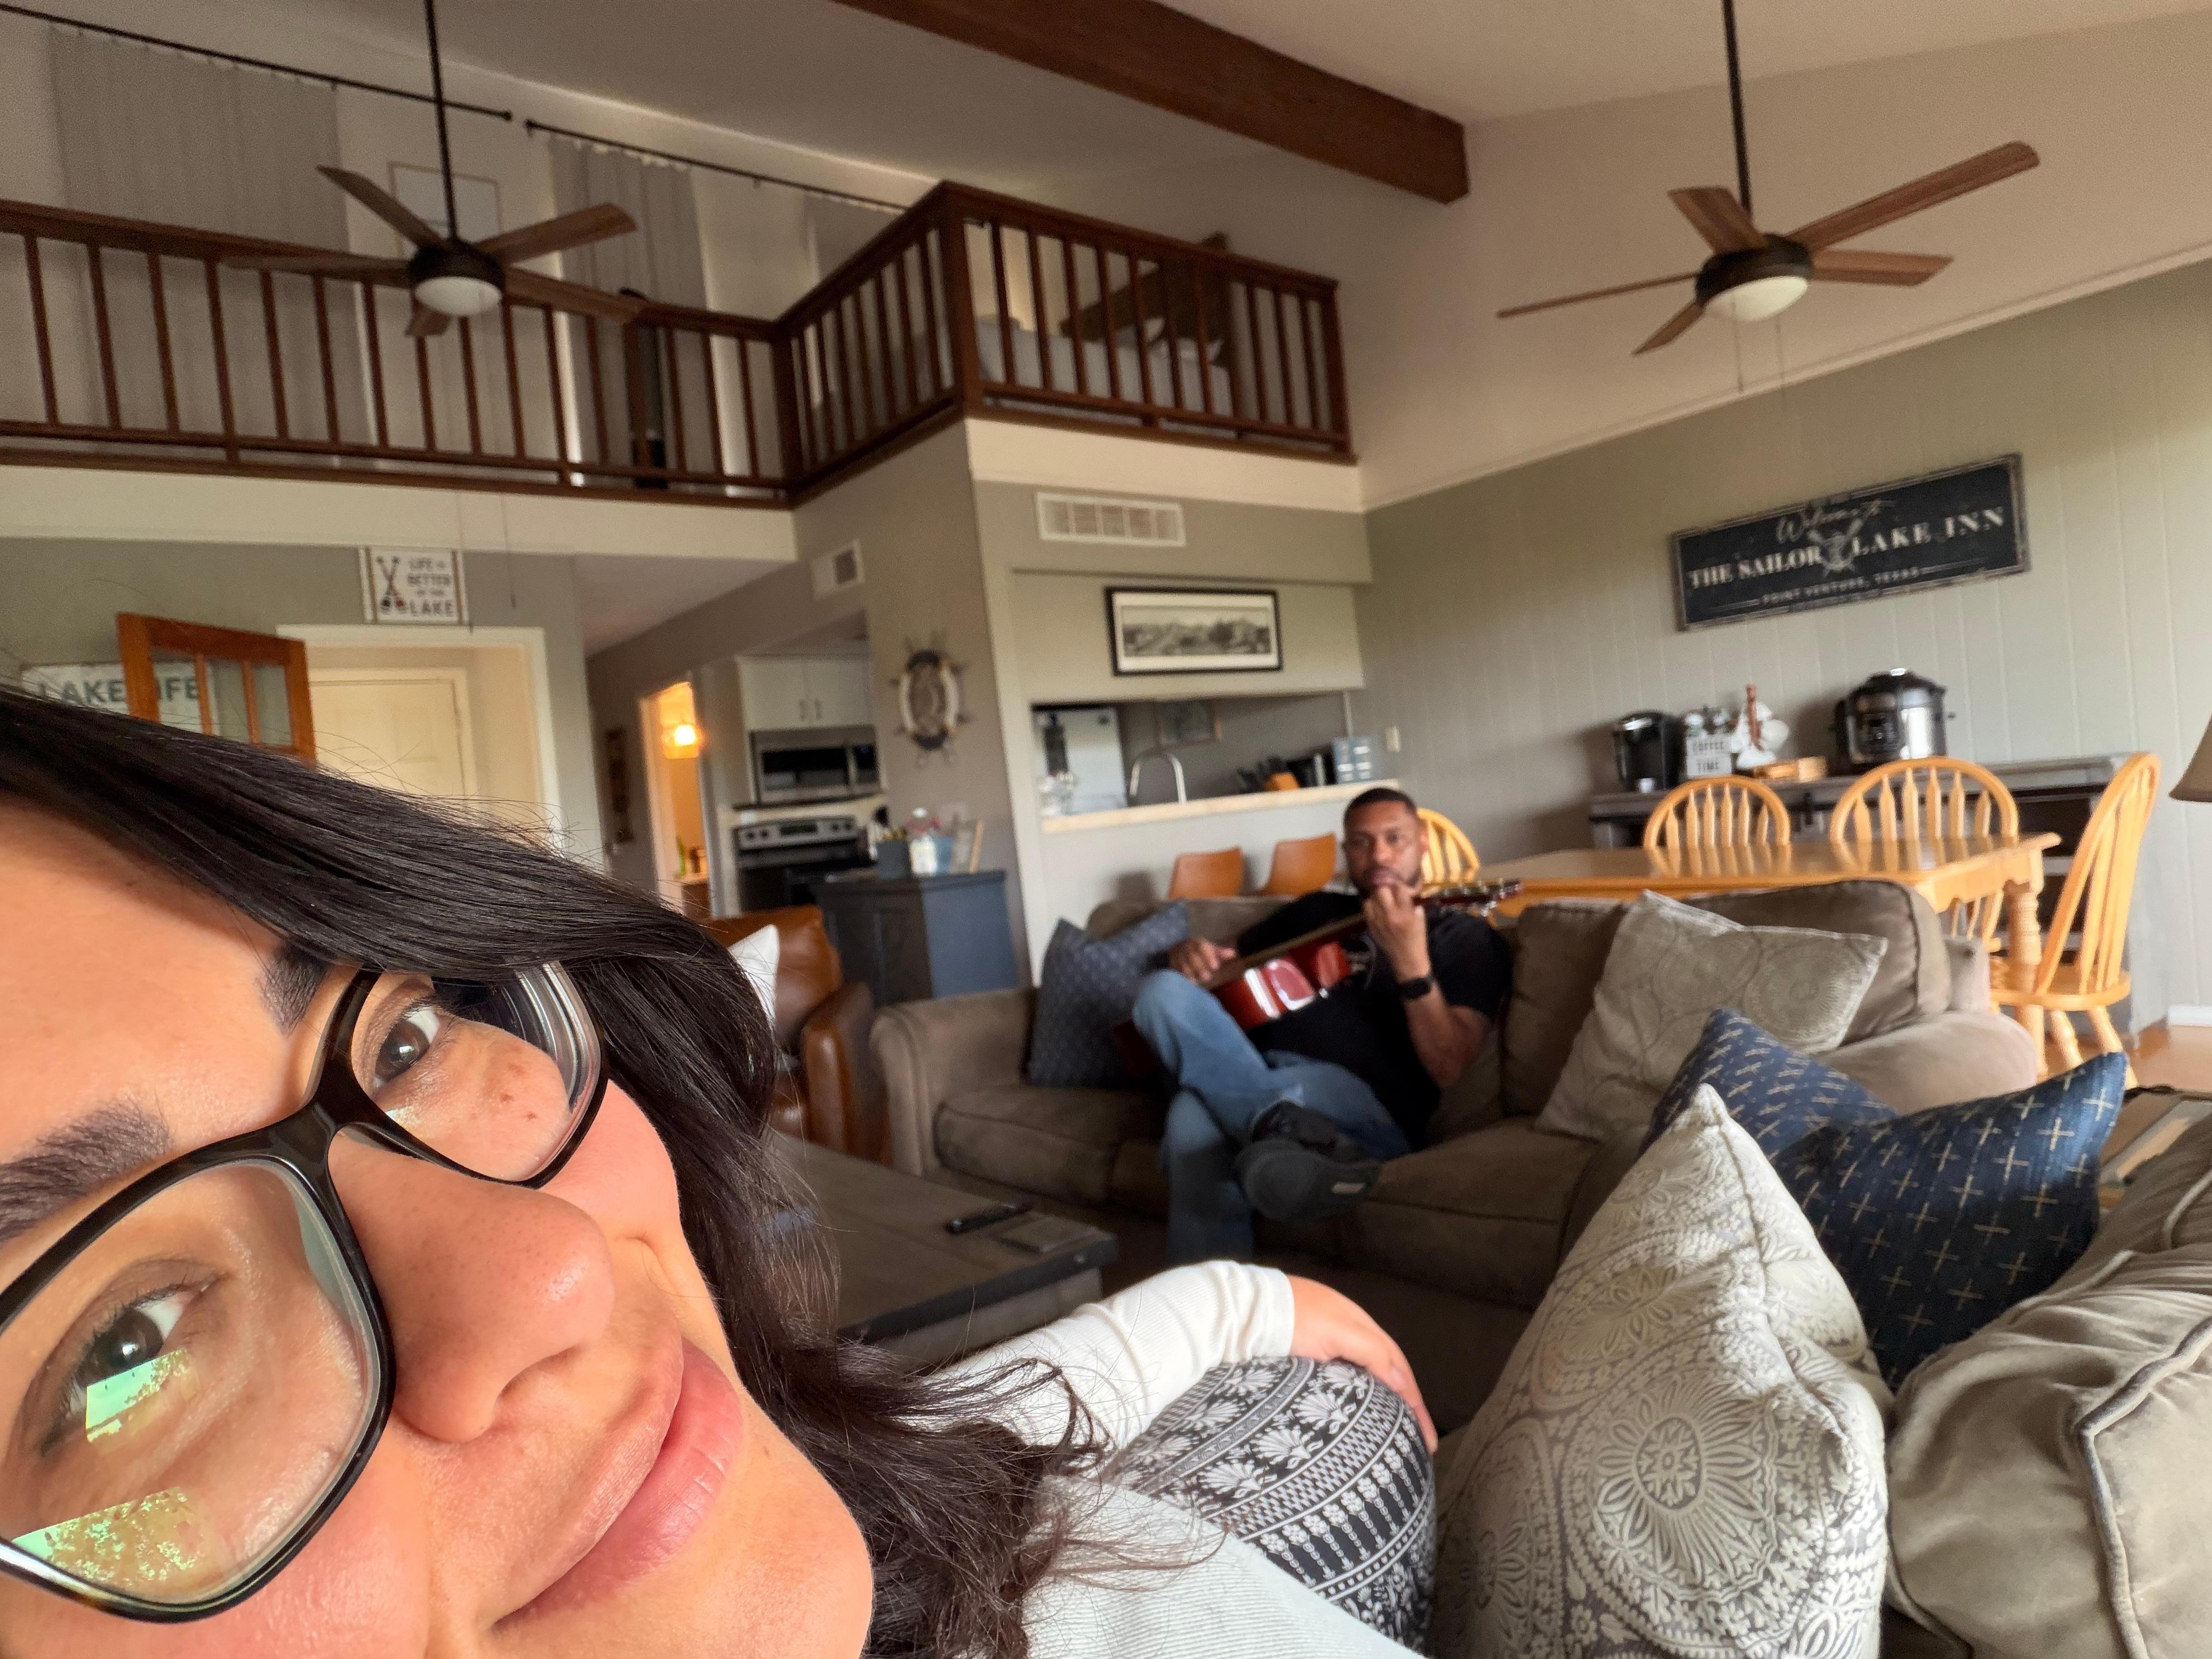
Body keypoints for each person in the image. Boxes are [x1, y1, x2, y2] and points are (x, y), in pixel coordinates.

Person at [0, 686, 1434, 1659]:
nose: (556, 1267)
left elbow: (907, 1445)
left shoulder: (1456, 932)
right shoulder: (1300, 912)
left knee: (1211, 1118)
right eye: (126, 1342)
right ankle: (1277, 1157)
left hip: (1366, 1092)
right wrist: (1230, 1276)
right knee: (1188, 1052)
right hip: (1261, 1074)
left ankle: (1288, 1151)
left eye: (409, 1038)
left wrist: (1408, 976)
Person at [1134, 788, 1511, 1263]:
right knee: (1161, 992)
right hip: (1263, 1072)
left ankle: (1209, 1295)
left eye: (1394, 839)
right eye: (1362, 842)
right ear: (1346, 851)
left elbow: (1451, 1066)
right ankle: (1278, 1128)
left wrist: (1411, 964)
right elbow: (1220, 970)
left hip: (1366, 1109)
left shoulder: (1463, 936)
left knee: (1191, 1114)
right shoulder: (1316, 912)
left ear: (1422, 843)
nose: (1379, 855)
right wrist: (1190, 955)